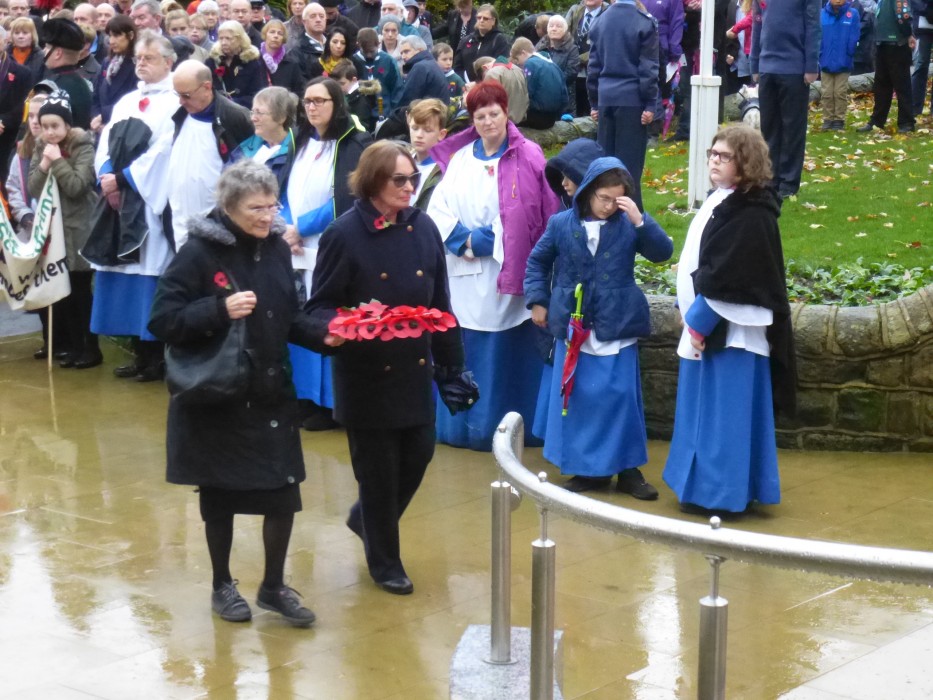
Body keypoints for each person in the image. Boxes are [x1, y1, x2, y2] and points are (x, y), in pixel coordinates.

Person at [148, 160, 316, 627]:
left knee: (283, 493)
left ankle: (273, 587)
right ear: (228, 207)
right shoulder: (198, 253)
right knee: (219, 496)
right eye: (255, 209)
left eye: (272, 206)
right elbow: (162, 320)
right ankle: (222, 585)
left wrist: (331, 334)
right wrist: (219, 309)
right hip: (218, 395)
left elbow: (289, 316)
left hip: (269, 389)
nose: (267, 217)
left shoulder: (276, 248)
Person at [296, 140, 467, 595]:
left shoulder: (424, 228)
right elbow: (318, 307)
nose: (410, 187)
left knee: (419, 455)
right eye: (399, 180)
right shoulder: (343, 234)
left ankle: (365, 520)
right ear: (373, 181)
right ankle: (385, 561)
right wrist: (332, 330)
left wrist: (453, 366)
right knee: (378, 474)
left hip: (413, 370)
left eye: (413, 178)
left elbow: (440, 304)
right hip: (367, 377)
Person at [663, 125, 795, 516]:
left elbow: (734, 277)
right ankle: (699, 489)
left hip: (732, 335)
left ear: (745, 163)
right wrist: (688, 310)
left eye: (724, 156)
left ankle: (724, 494)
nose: (714, 162)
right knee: (702, 415)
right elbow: (701, 260)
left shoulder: (753, 213)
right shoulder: (722, 200)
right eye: (713, 154)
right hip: (705, 325)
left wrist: (699, 322)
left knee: (725, 419)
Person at [524, 157, 672, 496]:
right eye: (603, 198)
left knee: (621, 399)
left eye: (616, 199)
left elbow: (662, 252)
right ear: (588, 191)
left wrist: (640, 221)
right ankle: (588, 471)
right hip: (574, 325)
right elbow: (537, 262)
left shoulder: (629, 224)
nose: (608, 206)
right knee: (580, 400)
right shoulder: (561, 224)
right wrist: (538, 300)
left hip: (617, 323)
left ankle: (628, 471)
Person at [427, 81, 560, 451]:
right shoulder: (460, 158)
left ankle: (511, 427)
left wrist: (494, 240)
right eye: (480, 116)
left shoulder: (528, 155)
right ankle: (462, 428)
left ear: (506, 113)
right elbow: (439, 207)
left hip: (507, 269)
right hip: (464, 268)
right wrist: (464, 239)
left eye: (494, 114)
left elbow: (534, 210)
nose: (488, 122)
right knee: (466, 342)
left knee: (508, 350)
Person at [88, 33, 180, 381]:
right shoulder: (127, 100)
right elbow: (106, 142)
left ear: (168, 62)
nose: (141, 63)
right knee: (123, 275)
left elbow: (164, 151)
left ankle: (156, 357)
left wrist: (124, 179)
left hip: (147, 202)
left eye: (149, 58)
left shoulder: (175, 101)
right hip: (118, 198)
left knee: (150, 275)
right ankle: (139, 354)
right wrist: (106, 176)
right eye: (138, 58)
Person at [283, 76, 371, 430]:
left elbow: (348, 197)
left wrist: (301, 227)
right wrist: (286, 228)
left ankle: (331, 403)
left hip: (330, 245)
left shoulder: (354, 144)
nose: (312, 107)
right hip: (295, 245)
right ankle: (305, 396)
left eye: (320, 101)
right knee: (301, 317)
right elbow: (282, 188)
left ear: (337, 104)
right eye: (307, 101)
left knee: (327, 317)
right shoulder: (299, 141)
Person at [28, 91, 100, 369]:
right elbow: (33, 188)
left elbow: (77, 186)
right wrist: (45, 163)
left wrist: (57, 161)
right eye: (45, 126)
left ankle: (91, 348)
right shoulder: (41, 147)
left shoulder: (83, 145)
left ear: (67, 125)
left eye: (55, 126)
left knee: (81, 291)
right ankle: (72, 346)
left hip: (79, 226)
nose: (49, 132)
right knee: (64, 292)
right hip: (54, 229)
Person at [168, 60, 254, 251]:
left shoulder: (234, 117)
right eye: (177, 94)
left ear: (206, 87)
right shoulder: (181, 114)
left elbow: (249, 169)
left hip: (219, 219)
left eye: (186, 95)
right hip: (180, 214)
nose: (181, 101)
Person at [586, 0, 658, 211]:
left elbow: (593, 67)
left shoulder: (600, 21)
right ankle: (632, 219)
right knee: (629, 170)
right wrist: (650, 103)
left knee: (605, 168)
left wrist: (595, 102)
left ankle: (604, 213)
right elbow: (648, 68)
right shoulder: (644, 22)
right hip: (632, 99)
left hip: (606, 97)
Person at [750, 0, 821, 199]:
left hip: (794, 67)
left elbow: (813, 25)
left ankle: (789, 182)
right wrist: (754, 63)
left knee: (792, 128)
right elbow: (757, 23)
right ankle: (770, 178)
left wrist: (811, 65)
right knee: (769, 127)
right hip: (767, 66)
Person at [6, 92, 54, 360]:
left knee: (59, 287)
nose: (35, 121)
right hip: (31, 228)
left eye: (40, 116)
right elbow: (13, 188)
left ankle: (66, 341)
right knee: (39, 287)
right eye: (31, 116)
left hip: (55, 231)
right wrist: (25, 216)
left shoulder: (58, 149)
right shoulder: (21, 153)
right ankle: (49, 339)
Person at [856, 0, 917, 133]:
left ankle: (907, 122)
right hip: (882, 43)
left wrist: (907, 34)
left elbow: (903, 16)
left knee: (902, 85)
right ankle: (877, 120)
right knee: (881, 85)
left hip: (897, 44)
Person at [231, 86, 297, 193]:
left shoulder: (295, 152)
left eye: (259, 113)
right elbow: (227, 183)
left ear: (281, 117)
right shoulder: (247, 147)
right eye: (252, 112)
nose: (253, 118)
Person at [39, 18, 94, 129]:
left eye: (47, 47)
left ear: (58, 53)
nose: (44, 51)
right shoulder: (86, 84)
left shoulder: (49, 87)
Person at [90, 15, 137, 131]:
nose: (111, 41)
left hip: (123, 128)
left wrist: (104, 116)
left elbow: (133, 101)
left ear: (130, 35)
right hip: (100, 127)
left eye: (116, 36)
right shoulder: (107, 62)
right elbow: (96, 95)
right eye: (110, 36)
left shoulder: (137, 65)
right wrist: (96, 117)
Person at [819, 0, 861, 131]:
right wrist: (820, 53)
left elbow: (855, 35)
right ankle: (828, 118)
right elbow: (818, 35)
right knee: (826, 92)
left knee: (839, 92)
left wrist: (850, 53)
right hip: (825, 60)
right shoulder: (821, 14)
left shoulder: (852, 14)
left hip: (844, 60)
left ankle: (839, 119)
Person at [206, 20, 268, 107]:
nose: (223, 43)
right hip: (217, 110)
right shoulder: (213, 60)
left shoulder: (253, 60)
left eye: (228, 38)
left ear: (240, 39)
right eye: (221, 38)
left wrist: (233, 102)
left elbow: (260, 93)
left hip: (246, 110)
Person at [510, 37, 567, 129]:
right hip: (552, 118)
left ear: (523, 53)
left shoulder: (530, 63)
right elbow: (565, 95)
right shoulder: (554, 65)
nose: (519, 63)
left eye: (517, 59)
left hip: (536, 117)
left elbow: (527, 91)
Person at [0, 25, 33, 185]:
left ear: (5, 41)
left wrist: (3, 121)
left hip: (6, 137)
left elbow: (23, 104)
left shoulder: (22, 72)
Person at [566, 0, 609, 116]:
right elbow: (565, 37)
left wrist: (577, 59)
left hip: (599, 76)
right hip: (575, 75)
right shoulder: (575, 11)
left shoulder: (609, 14)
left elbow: (607, 46)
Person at [352, 26, 403, 115]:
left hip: (384, 111)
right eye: (365, 52)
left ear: (379, 44)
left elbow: (397, 89)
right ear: (358, 45)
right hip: (360, 112)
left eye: (372, 51)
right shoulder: (353, 62)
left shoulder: (388, 61)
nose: (369, 55)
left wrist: (394, 113)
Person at [543, 136, 604, 209]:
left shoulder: (606, 210)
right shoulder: (565, 203)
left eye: (570, 177)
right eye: (562, 176)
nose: (563, 183)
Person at [407, 97, 447, 208]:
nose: (419, 135)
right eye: (415, 128)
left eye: (427, 130)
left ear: (441, 134)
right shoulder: (401, 162)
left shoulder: (447, 171)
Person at [535, 15, 579, 116]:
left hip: (564, 101)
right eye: (551, 26)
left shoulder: (572, 49)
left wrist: (548, 82)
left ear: (565, 29)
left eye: (558, 26)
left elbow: (571, 73)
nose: (554, 29)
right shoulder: (539, 47)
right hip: (541, 100)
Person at [453, 4, 509, 82]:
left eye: (485, 18)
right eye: (479, 17)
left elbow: (502, 67)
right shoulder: (465, 41)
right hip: (466, 85)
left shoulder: (500, 41)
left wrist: (478, 84)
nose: (481, 20)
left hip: (489, 85)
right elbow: (457, 67)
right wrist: (463, 83)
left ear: (493, 21)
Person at [330, 58, 378, 131]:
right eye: (336, 84)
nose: (338, 87)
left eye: (342, 83)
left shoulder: (361, 100)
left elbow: (363, 127)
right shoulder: (347, 96)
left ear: (354, 80)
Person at [259, 18, 304, 94]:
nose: (276, 36)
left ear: (283, 38)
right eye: (272, 32)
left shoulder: (291, 64)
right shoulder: (255, 60)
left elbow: (298, 91)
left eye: (280, 33)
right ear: (265, 35)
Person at [913, 0, 933, 117]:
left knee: (921, 64)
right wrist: (926, 9)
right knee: (921, 65)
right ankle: (915, 107)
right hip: (923, 25)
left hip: (924, 21)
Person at [9, 16, 44, 82]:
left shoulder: (41, 56)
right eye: (17, 33)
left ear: (32, 35)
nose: (20, 36)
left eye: (25, 33)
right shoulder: (5, 54)